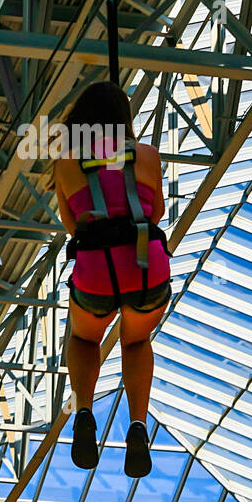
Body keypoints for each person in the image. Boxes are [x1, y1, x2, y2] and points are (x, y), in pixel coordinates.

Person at [53, 81, 170, 478]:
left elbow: (73, 228)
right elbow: (155, 216)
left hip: (97, 273)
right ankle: (138, 425)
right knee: (135, 339)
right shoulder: (149, 157)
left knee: (85, 337)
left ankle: (84, 411)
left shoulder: (67, 163)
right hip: (146, 269)